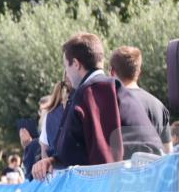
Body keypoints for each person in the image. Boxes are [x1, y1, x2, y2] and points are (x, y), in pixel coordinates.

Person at [33, 33, 160, 179]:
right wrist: (53, 161)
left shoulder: (94, 92)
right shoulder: (111, 88)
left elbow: (105, 158)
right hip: (149, 180)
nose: (66, 73)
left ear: (76, 64)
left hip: (134, 185)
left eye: (65, 66)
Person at [111, 46, 172, 153]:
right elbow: (168, 154)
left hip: (118, 169)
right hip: (153, 169)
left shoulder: (108, 104)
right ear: (138, 72)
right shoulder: (158, 106)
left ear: (112, 72)